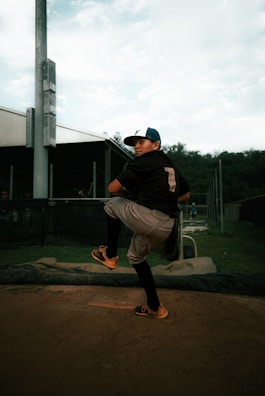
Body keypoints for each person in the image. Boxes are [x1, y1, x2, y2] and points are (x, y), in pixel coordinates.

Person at [91, 127, 190, 319]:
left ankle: (110, 255)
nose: (137, 146)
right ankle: (154, 307)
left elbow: (112, 188)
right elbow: (185, 195)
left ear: (156, 145)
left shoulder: (144, 161)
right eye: (135, 143)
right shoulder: (171, 166)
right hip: (166, 226)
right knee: (136, 257)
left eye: (141, 141)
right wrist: (162, 199)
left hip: (149, 219)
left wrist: (129, 195)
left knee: (112, 204)